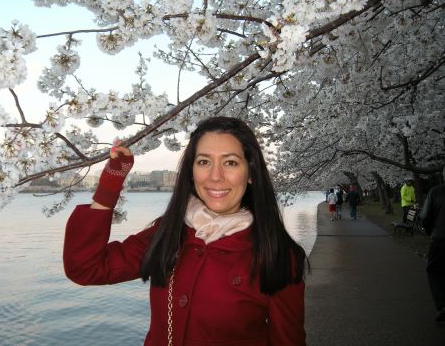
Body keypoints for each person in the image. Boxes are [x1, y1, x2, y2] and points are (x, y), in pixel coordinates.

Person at [63, 117, 308, 345]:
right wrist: (109, 184)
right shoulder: (168, 234)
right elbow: (86, 269)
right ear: (191, 172)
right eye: (204, 162)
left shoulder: (277, 255)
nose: (215, 176)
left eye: (230, 162)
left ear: (251, 173)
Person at [420, 173, 445, 323]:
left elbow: (424, 216)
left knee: (435, 271)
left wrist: (431, 232)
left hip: (440, 238)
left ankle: (442, 305)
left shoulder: (436, 192)